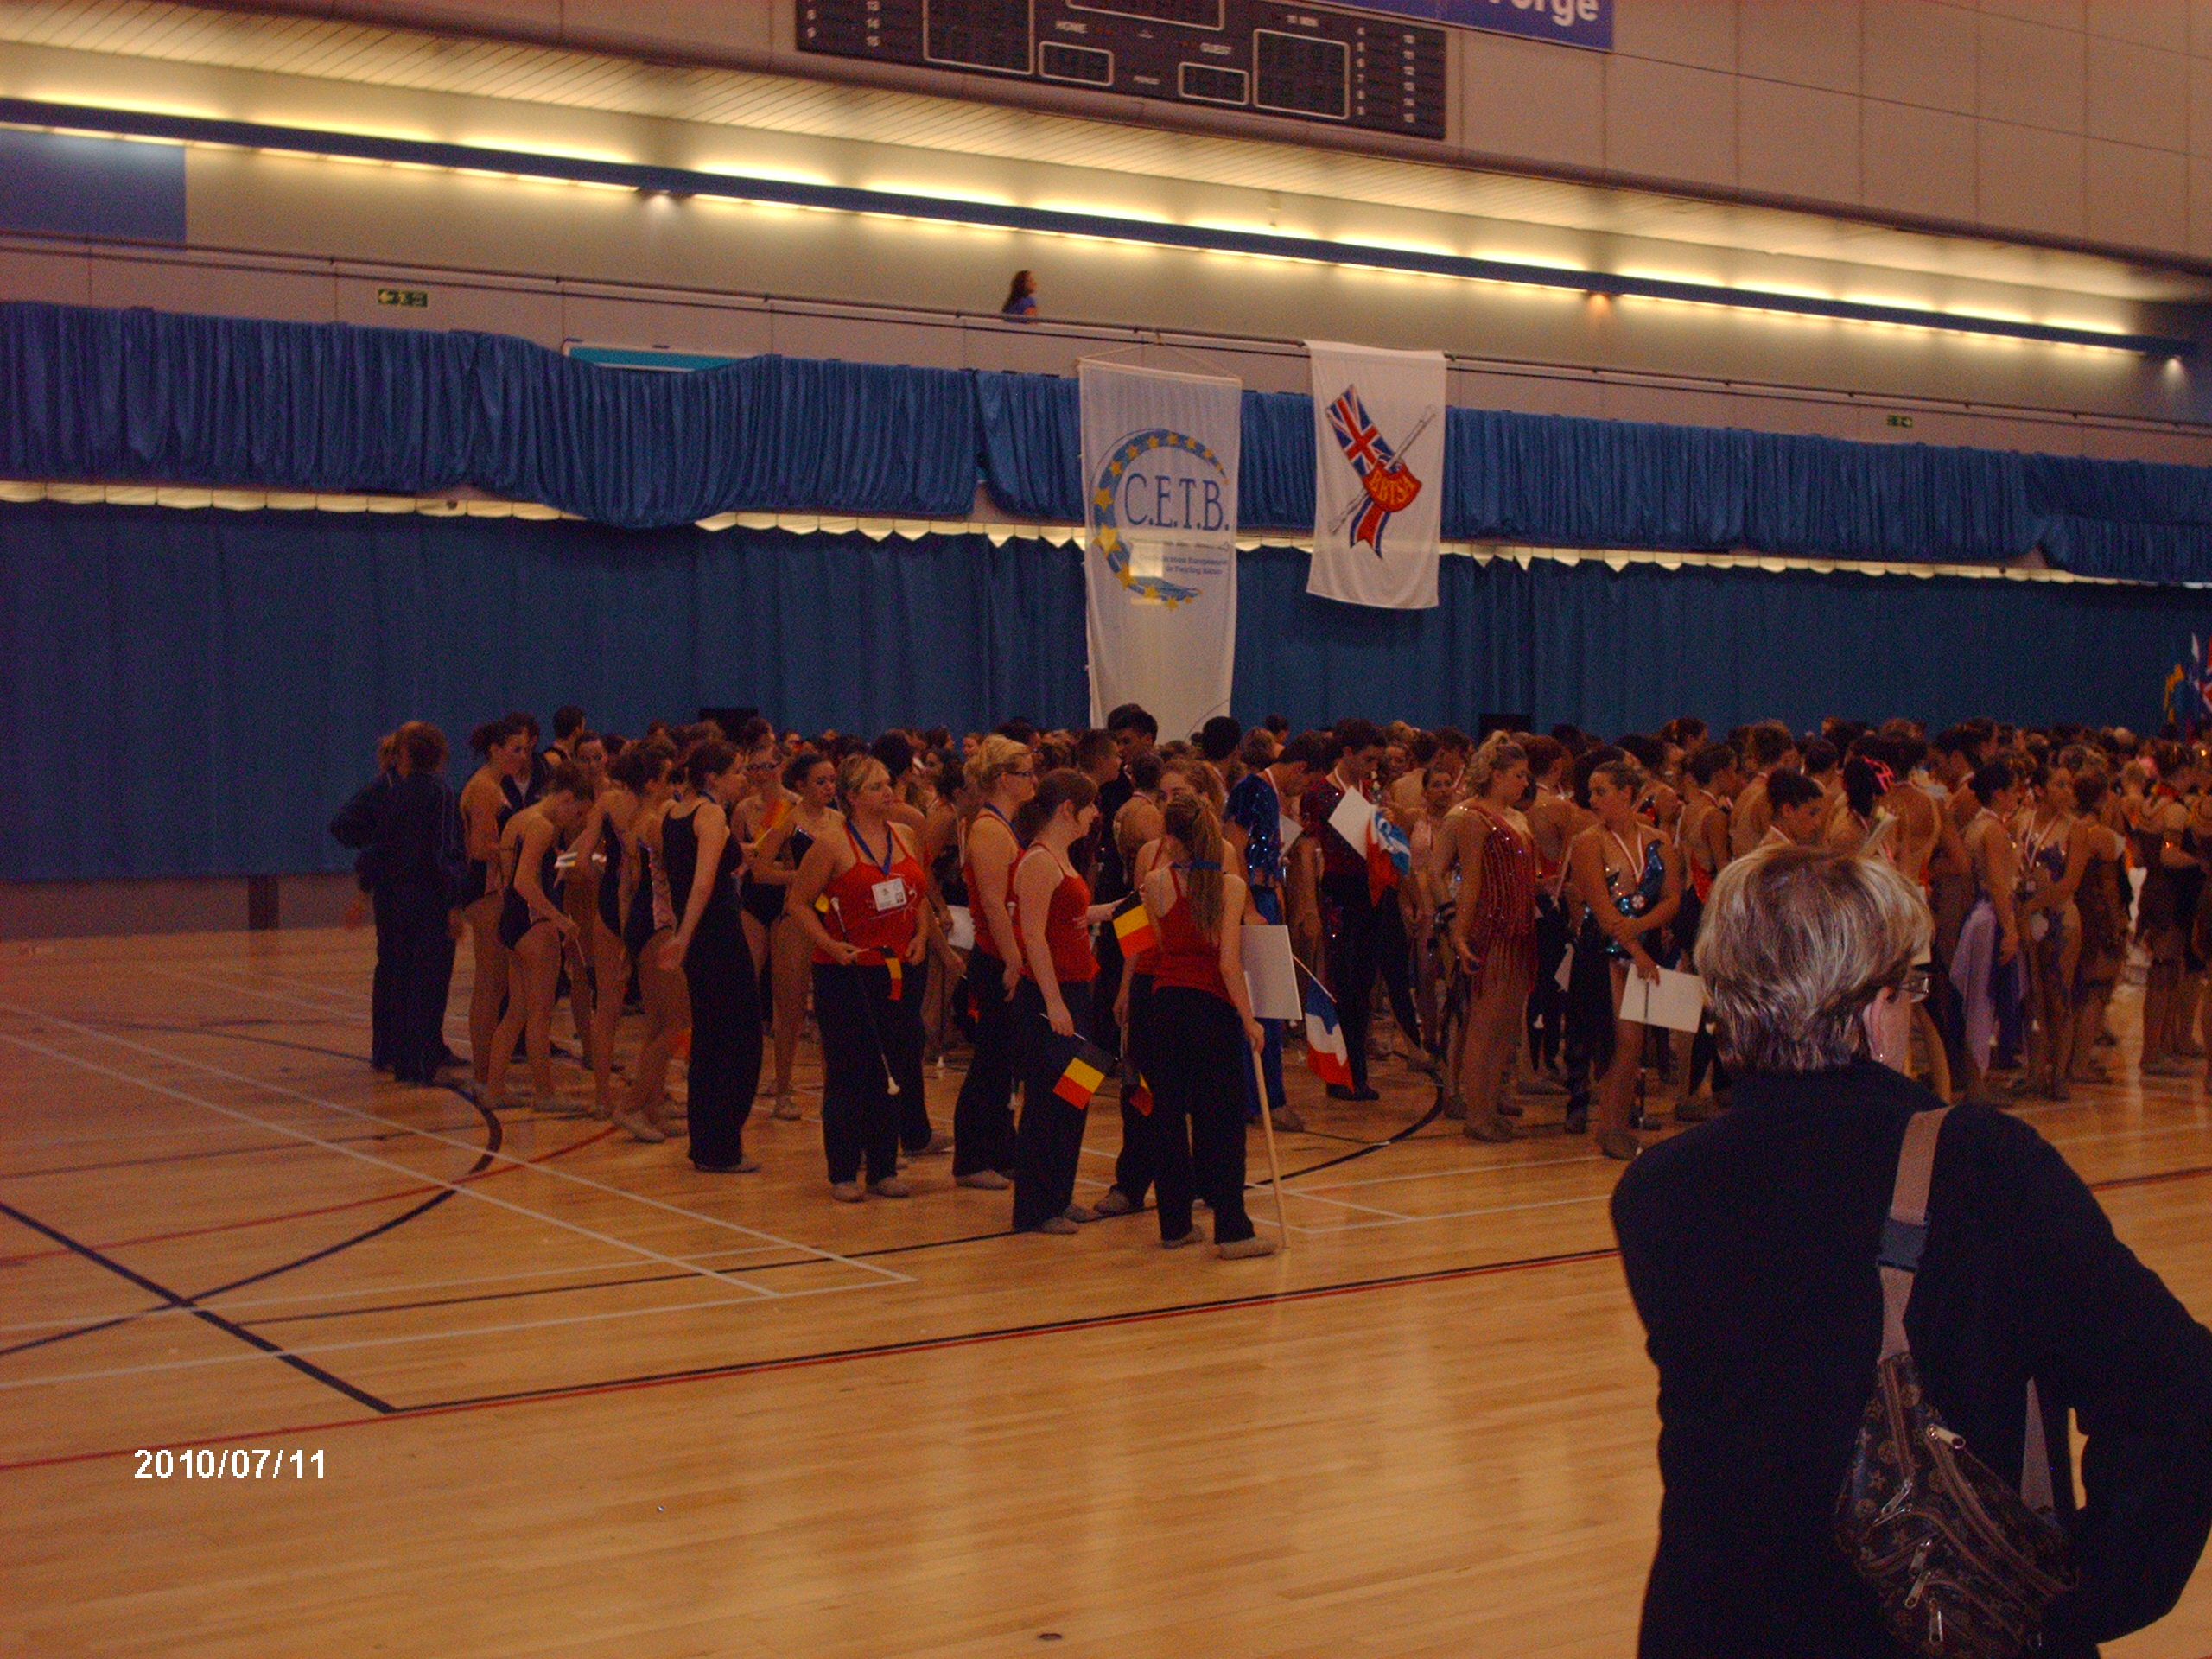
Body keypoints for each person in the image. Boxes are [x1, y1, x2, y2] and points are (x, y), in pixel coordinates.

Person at [1613, 843, 2212, 1658]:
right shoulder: (1979, 1164)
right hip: (1934, 1624)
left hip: (1717, 1620)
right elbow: (2176, 1389)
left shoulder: (1656, 1191)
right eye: (1910, 987)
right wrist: (2085, 1597)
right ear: (1872, 1009)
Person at [1128, 796, 1275, 1258]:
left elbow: (1158, 945)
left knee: (1168, 1116)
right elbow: (1228, 964)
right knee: (1222, 1121)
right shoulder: (1230, 887)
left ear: (1174, 839)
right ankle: (1232, 1230)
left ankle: (1175, 1225)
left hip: (1164, 1006)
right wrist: (1249, 1019)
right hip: (1210, 1011)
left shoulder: (1156, 882)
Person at [789, 753, 933, 1202]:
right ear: (852, 797)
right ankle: (844, 1171)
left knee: (897, 1063)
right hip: (847, 972)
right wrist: (830, 944)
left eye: (888, 783)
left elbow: (919, 894)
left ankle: (884, 1165)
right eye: (876, 787)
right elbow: (798, 902)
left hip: (899, 968)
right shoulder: (831, 844)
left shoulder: (905, 835)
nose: (888, 792)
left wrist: (922, 935)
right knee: (850, 1070)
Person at [1009, 768, 1111, 1235]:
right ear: (1068, 809)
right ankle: (1036, 1207)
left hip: (1076, 989)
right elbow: (1033, 936)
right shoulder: (1039, 861)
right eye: (1090, 806)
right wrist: (1054, 1004)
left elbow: (1069, 917)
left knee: (1075, 1095)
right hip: (1051, 996)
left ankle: (1060, 1194)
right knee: (1047, 1103)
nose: (1095, 815)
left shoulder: (1062, 858)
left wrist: (1114, 909)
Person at [1565, 756, 1679, 1161]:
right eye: (1591, 792)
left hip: (1645, 945)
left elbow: (1673, 897)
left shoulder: (1658, 839)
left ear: (1627, 793)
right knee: (1621, 1042)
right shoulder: (1588, 842)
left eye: (1601, 792)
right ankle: (1608, 1125)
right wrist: (1636, 948)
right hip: (1606, 950)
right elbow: (1599, 905)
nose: (1593, 800)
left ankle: (1617, 1122)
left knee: (1638, 1043)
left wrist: (1644, 926)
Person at [660, 741, 765, 1174]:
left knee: (709, 1039)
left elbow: (684, 876)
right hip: (715, 932)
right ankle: (722, 1144)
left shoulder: (672, 813)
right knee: (740, 1039)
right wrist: (683, 937)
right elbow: (702, 884)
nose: (743, 778)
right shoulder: (711, 814)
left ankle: (708, 1144)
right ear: (713, 777)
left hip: (701, 934)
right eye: (737, 771)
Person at [356, 722, 466, 1086]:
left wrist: (365, 888)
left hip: (396, 900)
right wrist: (454, 903)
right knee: (429, 981)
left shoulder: (394, 792)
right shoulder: (441, 792)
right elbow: (446, 851)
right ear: (440, 755)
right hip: (430, 900)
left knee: (401, 979)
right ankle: (424, 1062)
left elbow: (377, 847)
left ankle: (403, 1062)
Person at [950, 735, 1037, 1190]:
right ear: (1004, 779)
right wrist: (1012, 959)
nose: (1033, 781)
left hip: (1003, 953)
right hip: (994, 956)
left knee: (1004, 1062)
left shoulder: (1003, 826)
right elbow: (992, 903)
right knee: (990, 1061)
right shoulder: (988, 829)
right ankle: (971, 1158)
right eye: (1025, 773)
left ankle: (1003, 1150)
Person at [484, 762, 592, 1109]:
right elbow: (524, 882)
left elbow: (511, 875)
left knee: (515, 1012)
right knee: (540, 1015)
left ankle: (494, 1089)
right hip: (535, 926)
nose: (575, 820)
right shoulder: (543, 826)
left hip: (512, 922)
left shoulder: (519, 819)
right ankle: (545, 1093)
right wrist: (560, 919)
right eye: (578, 812)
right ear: (567, 797)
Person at [1446, 735, 1536, 1143]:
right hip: (1493, 928)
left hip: (1520, 928)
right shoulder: (1473, 817)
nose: (1525, 782)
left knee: (1506, 1026)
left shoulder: (1518, 817)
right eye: (1518, 775)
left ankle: (1490, 1106)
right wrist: (1460, 933)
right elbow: (1471, 882)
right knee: (1484, 1024)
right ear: (1496, 775)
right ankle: (1477, 1113)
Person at [749, 750, 842, 1122]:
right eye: (821, 782)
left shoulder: (840, 819)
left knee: (832, 1010)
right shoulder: (782, 814)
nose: (829, 788)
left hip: (833, 917)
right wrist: (803, 878)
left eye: (833, 781)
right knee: (789, 1007)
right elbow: (758, 869)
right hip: (796, 917)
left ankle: (833, 1092)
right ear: (800, 784)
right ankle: (783, 1090)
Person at [457, 716, 532, 1090]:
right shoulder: (485, 789)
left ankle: (487, 1073)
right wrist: (519, 847)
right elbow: (478, 847)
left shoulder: (491, 785)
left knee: (494, 983)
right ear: (495, 750)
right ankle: (484, 1076)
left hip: (491, 890)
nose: (522, 757)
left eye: (525, 750)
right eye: (515, 750)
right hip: (485, 892)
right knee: (490, 984)